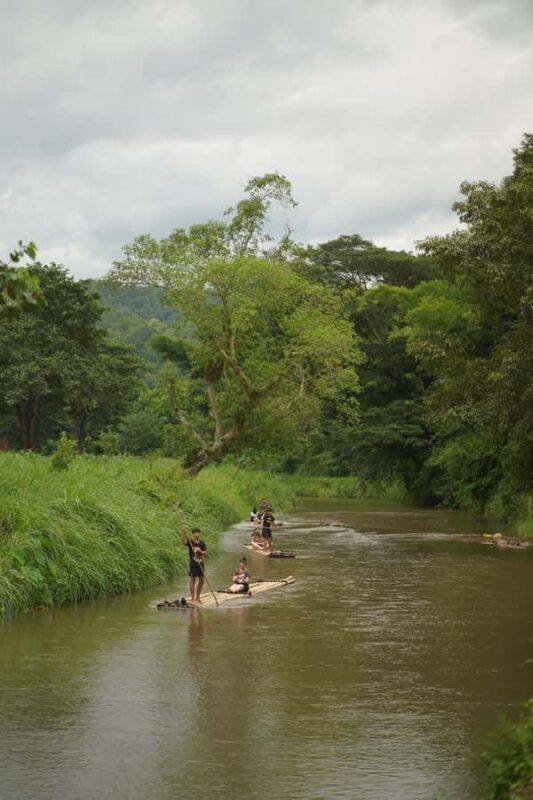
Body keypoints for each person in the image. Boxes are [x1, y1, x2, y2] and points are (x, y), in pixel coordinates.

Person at [181, 525, 208, 603]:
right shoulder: (191, 542)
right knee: (193, 579)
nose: (197, 534)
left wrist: (200, 551)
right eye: (195, 533)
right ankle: (193, 598)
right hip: (193, 563)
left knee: (202, 580)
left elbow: (206, 553)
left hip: (201, 563)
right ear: (193, 534)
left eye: (198, 533)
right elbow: (184, 542)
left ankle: (198, 597)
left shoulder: (202, 543)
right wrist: (183, 532)